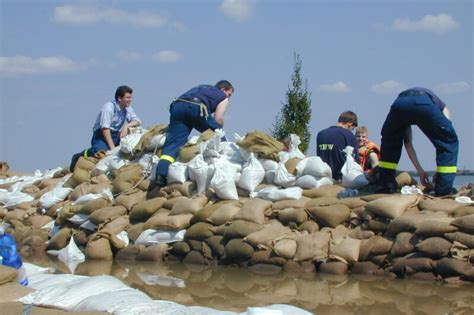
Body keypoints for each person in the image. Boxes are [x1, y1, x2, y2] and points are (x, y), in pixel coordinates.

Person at [376, 87, 458, 196]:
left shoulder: (406, 112)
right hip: (423, 102)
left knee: (390, 142)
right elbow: (446, 129)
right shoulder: (441, 106)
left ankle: (387, 185)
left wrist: (420, 171)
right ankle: (443, 189)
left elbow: (408, 144)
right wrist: (441, 174)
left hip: (400, 104)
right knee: (448, 142)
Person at [154, 80, 234, 187]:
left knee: (173, 143)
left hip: (177, 106)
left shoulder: (202, 87)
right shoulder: (222, 96)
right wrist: (219, 130)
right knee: (218, 136)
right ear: (224, 89)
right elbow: (218, 118)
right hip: (196, 108)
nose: (229, 97)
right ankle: (223, 166)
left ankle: (160, 175)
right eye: (229, 94)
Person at [69, 85, 141, 171]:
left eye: (131, 97)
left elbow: (137, 121)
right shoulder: (108, 107)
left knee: (129, 145)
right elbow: (105, 129)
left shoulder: (127, 108)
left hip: (115, 134)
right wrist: (112, 148)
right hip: (101, 135)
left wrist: (126, 126)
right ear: (119, 98)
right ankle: (79, 156)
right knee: (101, 152)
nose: (130, 100)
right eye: (128, 97)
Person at [316, 111, 359, 180]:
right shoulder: (349, 135)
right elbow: (355, 162)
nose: (351, 131)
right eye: (352, 129)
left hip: (323, 177)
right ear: (350, 124)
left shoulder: (321, 134)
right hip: (340, 179)